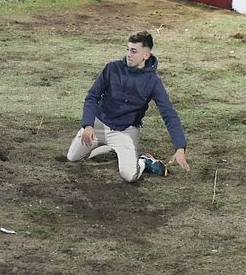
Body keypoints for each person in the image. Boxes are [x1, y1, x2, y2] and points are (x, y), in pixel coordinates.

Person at [65, 31, 191, 183]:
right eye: (127, 49)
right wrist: (88, 125)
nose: (128, 54)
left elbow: (169, 114)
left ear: (146, 55)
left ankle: (144, 161)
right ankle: (113, 148)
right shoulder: (112, 68)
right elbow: (92, 97)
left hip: (125, 131)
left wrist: (180, 147)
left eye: (133, 51)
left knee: (129, 176)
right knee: (72, 157)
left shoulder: (153, 82)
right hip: (99, 124)